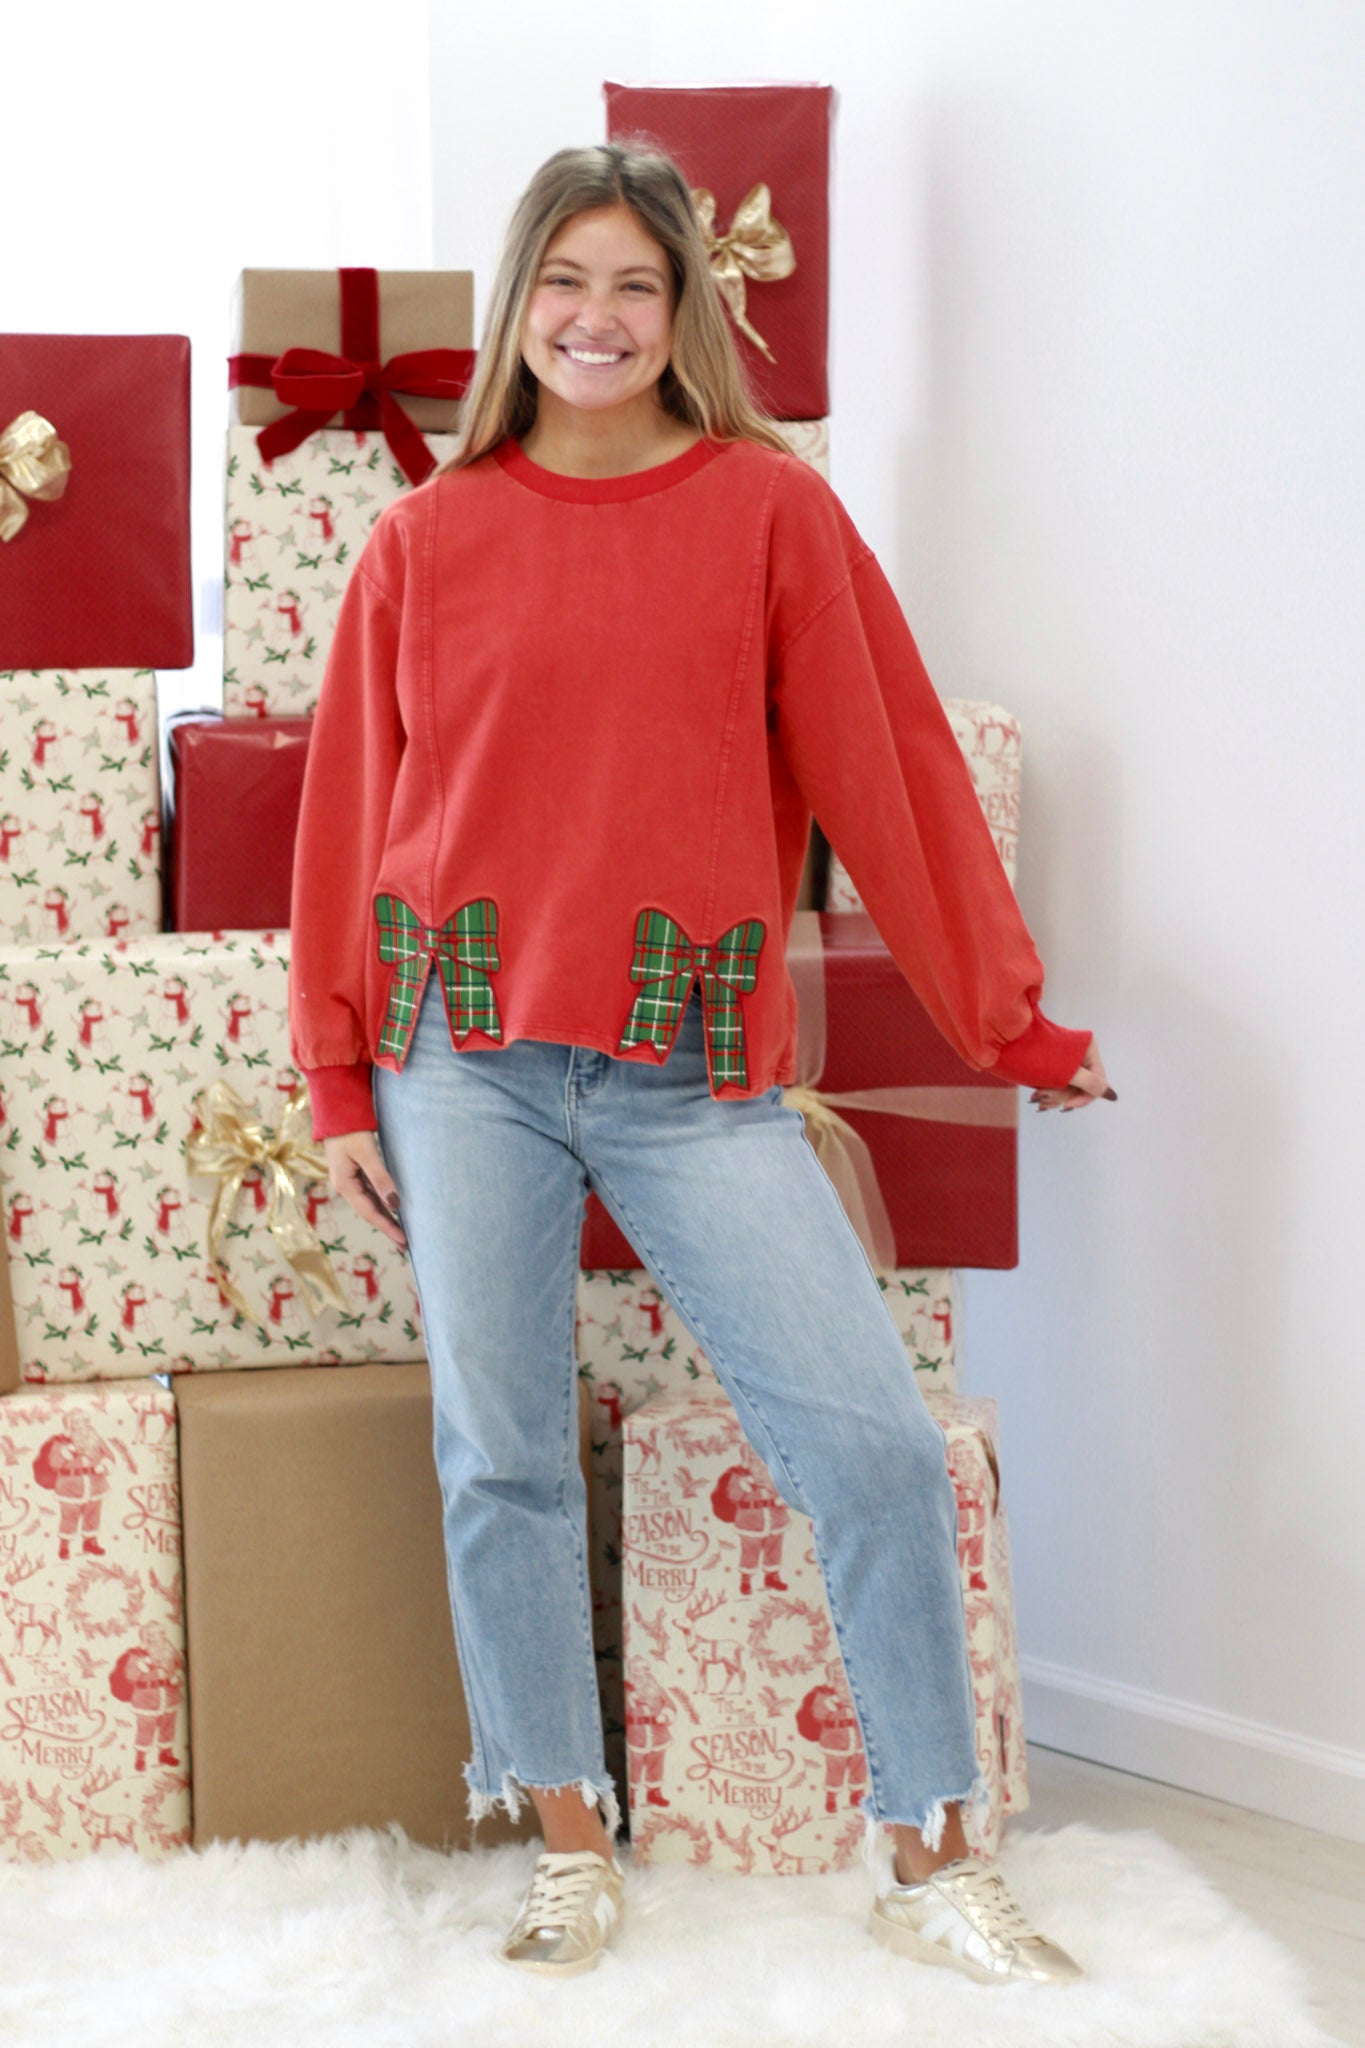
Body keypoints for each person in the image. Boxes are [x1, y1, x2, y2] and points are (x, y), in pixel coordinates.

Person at [289, 140, 1116, 1988]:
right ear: (518, 304)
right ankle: (566, 1839)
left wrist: (1008, 1026)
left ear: (682, 316)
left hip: (692, 1073)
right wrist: (338, 1078)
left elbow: (891, 776)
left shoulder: (768, 516)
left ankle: (932, 1856)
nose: (595, 318)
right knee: (501, 1455)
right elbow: (347, 818)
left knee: (877, 1451)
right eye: (563, 280)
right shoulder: (423, 538)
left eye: (635, 286)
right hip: (463, 1058)